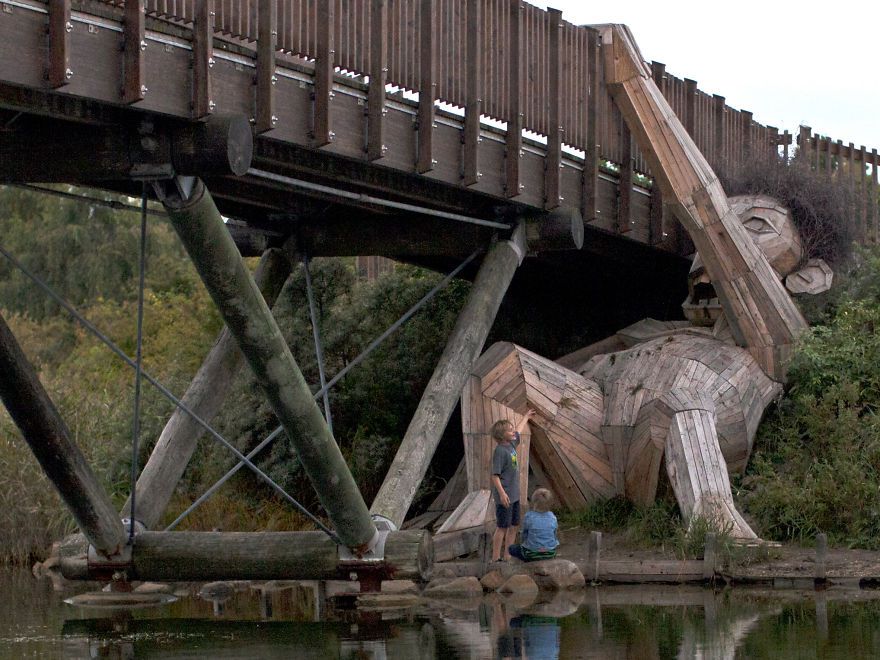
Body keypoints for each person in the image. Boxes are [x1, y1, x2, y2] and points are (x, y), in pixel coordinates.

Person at [490, 409, 535, 562]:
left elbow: (519, 430)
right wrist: (502, 494)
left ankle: (507, 555)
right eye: (510, 430)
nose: (513, 431)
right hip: (506, 495)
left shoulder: (511, 445)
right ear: (502, 436)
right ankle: (495, 558)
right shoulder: (500, 451)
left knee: (514, 525)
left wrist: (526, 417)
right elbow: (495, 476)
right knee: (502, 526)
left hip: (514, 494)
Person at [509, 487, 559, 562]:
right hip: (550, 553)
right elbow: (554, 535)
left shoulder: (529, 516)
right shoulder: (553, 517)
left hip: (531, 554)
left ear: (534, 502)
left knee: (511, 548)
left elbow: (524, 535)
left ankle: (527, 562)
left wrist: (524, 543)